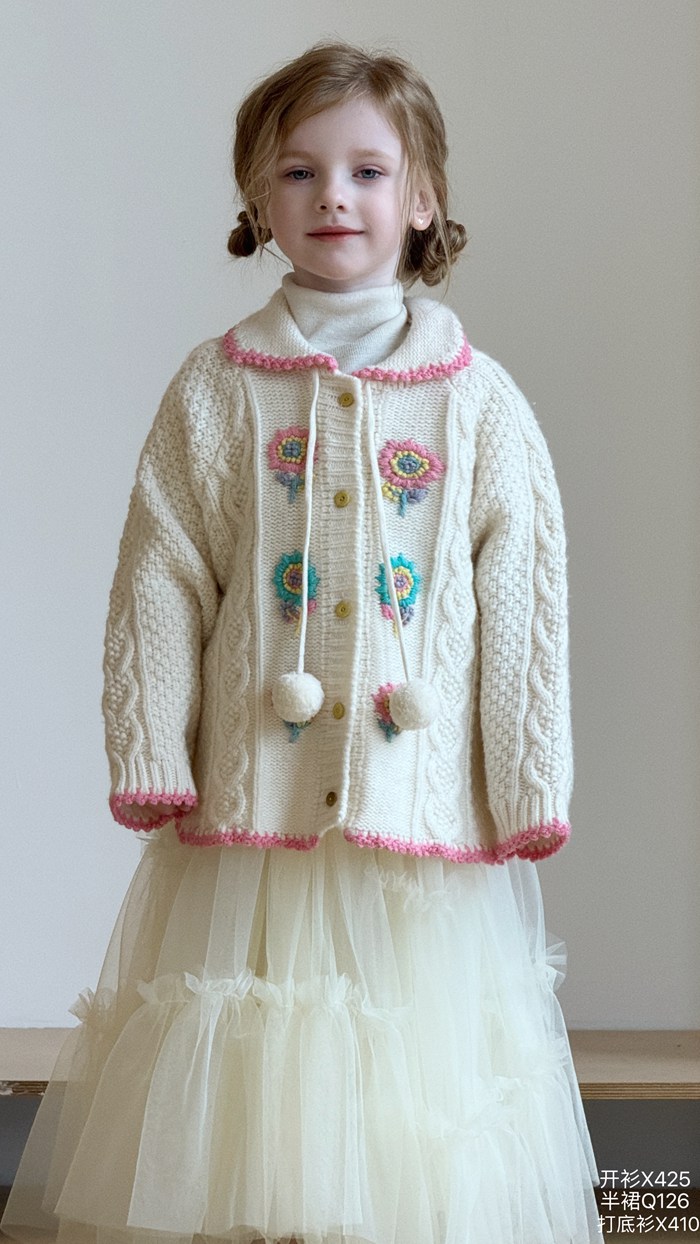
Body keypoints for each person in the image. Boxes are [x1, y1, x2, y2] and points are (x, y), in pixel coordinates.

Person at [2, 41, 604, 1244]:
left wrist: (527, 782)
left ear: (421, 198)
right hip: (251, 824)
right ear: (257, 200)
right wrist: (149, 748)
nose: (334, 195)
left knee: (406, 1114)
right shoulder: (215, 389)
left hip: (416, 834)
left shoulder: (478, 401)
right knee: (243, 1099)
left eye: (368, 171)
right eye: (299, 170)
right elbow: (160, 575)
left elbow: (526, 606)